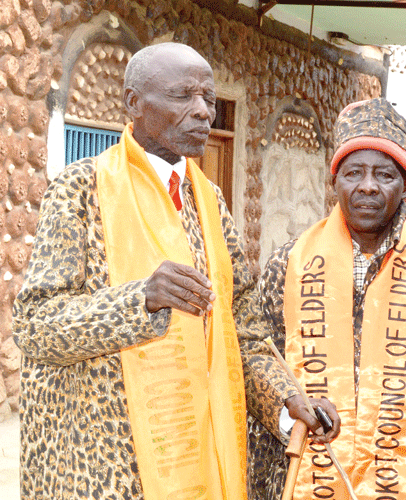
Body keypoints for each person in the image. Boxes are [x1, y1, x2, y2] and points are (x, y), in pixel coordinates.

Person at [13, 42, 337, 500]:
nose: (204, 112)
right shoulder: (81, 189)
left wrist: (288, 402)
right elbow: (35, 326)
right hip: (106, 472)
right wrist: (140, 298)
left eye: (208, 98)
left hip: (197, 461)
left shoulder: (209, 201)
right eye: (184, 96)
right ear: (133, 103)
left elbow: (242, 331)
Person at [248, 97, 406, 500]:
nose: (367, 186)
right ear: (334, 181)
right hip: (304, 480)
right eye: (353, 172)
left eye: (384, 174)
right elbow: (259, 367)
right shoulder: (289, 263)